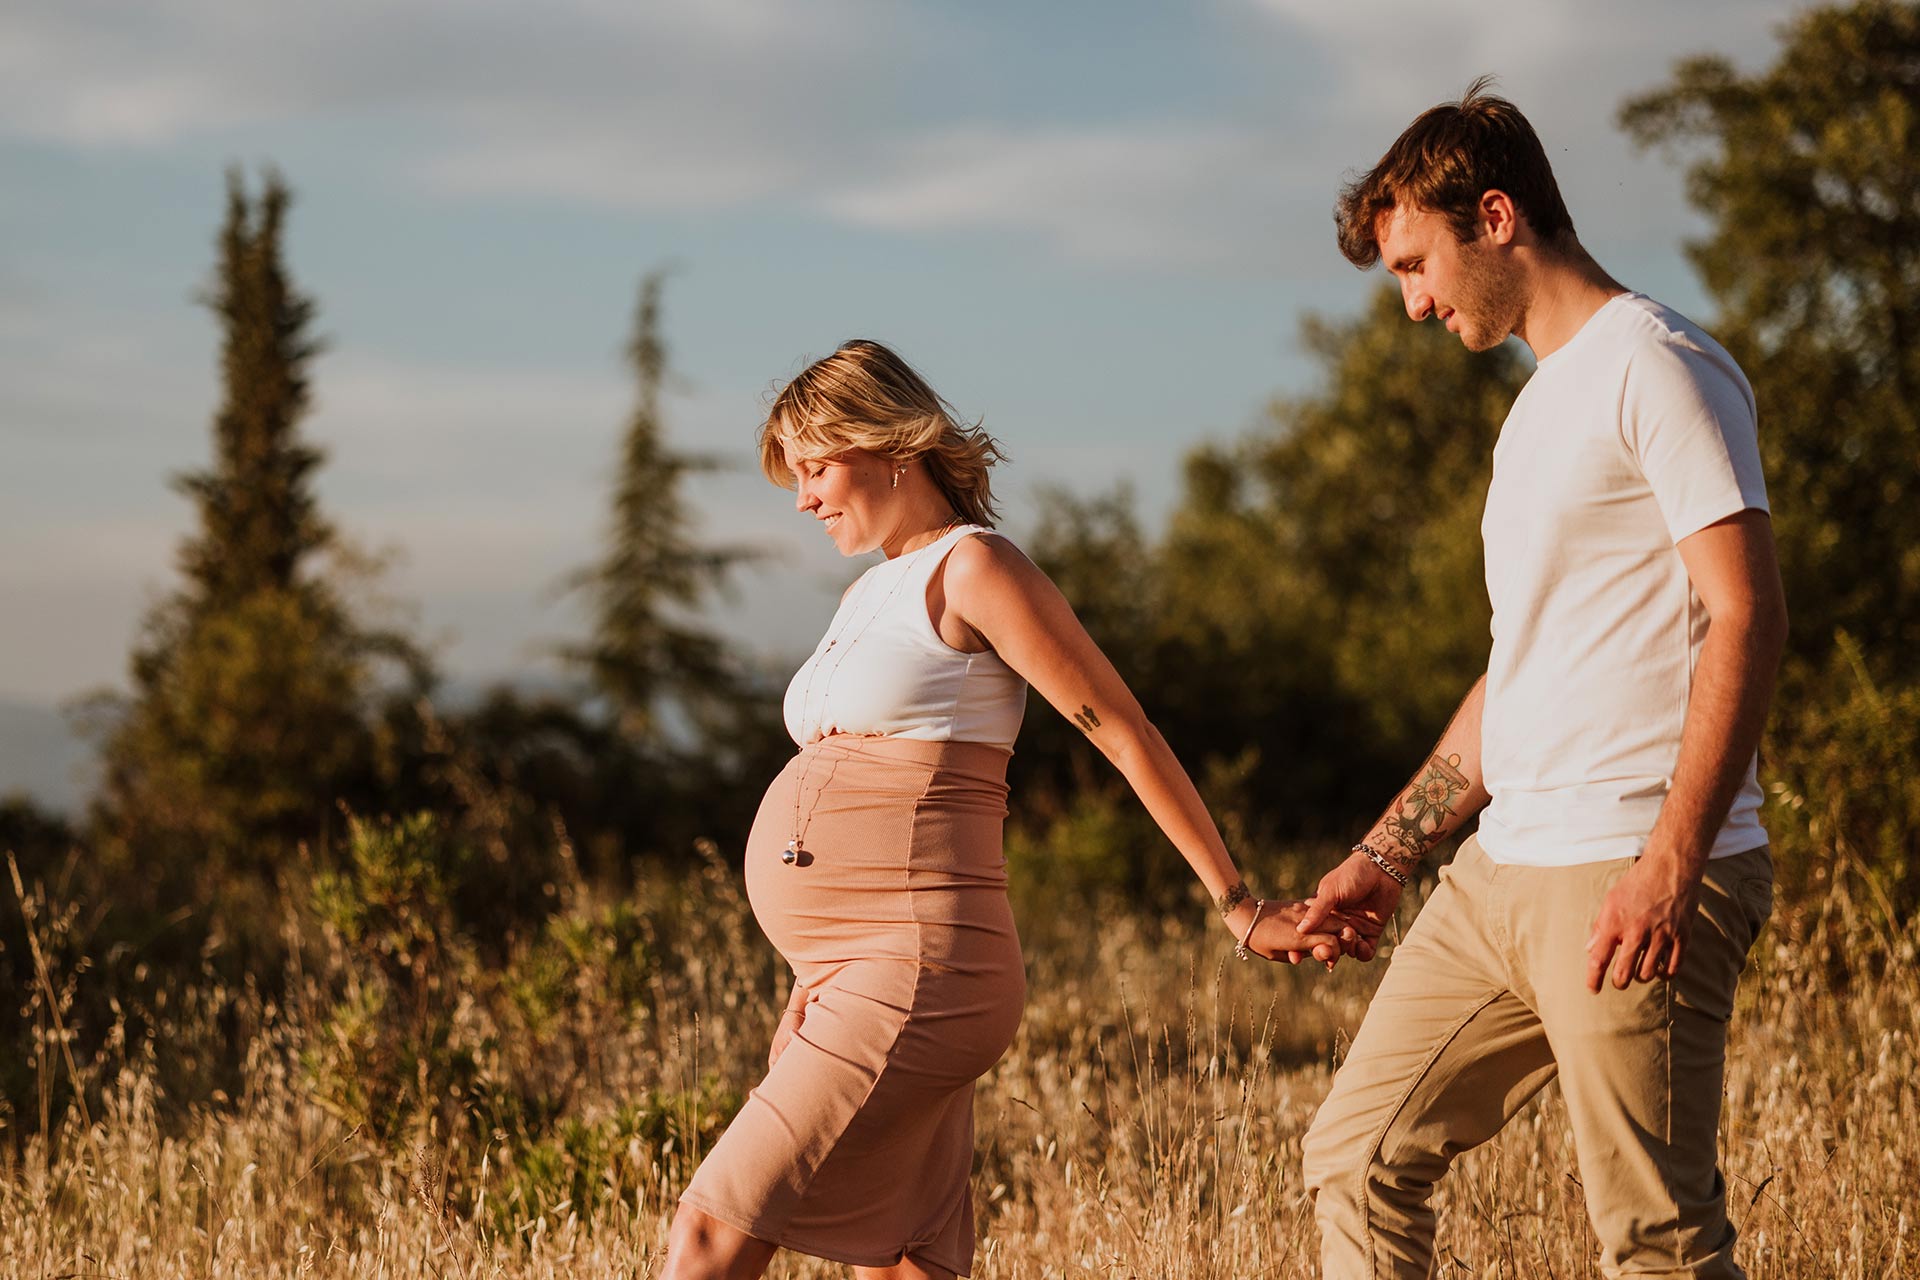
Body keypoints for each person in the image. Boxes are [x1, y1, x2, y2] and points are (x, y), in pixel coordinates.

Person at [664, 339, 1348, 1280]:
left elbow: (1121, 729)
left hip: (917, 969)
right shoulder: (870, 590)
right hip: (844, 974)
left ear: (886, 446)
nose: (804, 497)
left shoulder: (974, 568)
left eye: (816, 468)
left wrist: (1236, 902)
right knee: (906, 1265)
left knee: (709, 1234)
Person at [1296, 78, 1788, 1280]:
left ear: (1499, 216)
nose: (1413, 304)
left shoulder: (1660, 365)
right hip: (1500, 873)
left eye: (1419, 264)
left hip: (1631, 862)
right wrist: (1385, 855)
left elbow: (1748, 611)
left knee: (1659, 1246)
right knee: (1352, 1156)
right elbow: (1518, 672)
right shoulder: (1532, 415)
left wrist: (1669, 862)